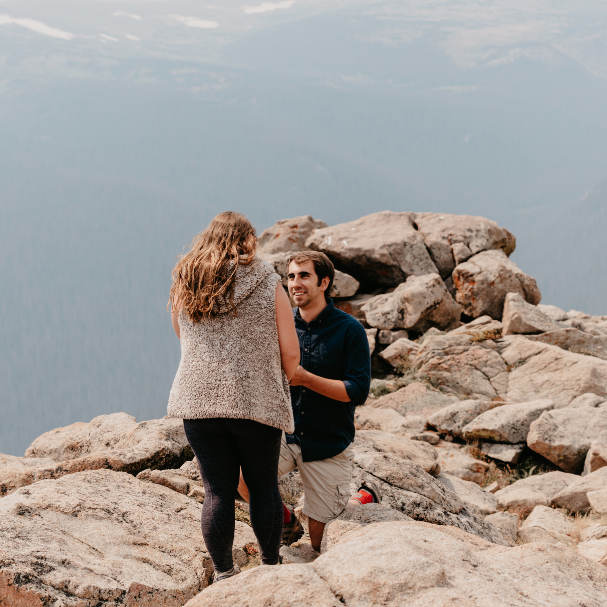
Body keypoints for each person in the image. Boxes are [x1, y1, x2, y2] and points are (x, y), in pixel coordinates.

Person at [166, 211, 300, 582]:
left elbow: (183, 335)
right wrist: (281, 381)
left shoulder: (186, 279)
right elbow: (290, 350)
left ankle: (225, 573)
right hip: (255, 399)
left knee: (217, 492)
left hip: (198, 401)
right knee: (262, 486)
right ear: (247, 241)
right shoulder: (269, 280)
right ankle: (271, 567)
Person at [238, 250, 376, 553]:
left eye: (304, 275)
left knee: (319, 544)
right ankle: (287, 520)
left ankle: (361, 497)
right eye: (290, 276)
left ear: (324, 282)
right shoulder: (280, 326)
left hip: (328, 442)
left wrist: (305, 379)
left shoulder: (349, 329)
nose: (295, 283)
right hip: (285, 435)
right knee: (241, 477)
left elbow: (358, 391)